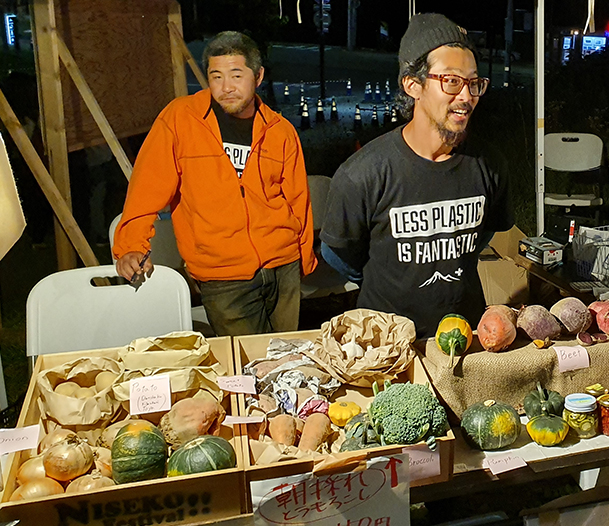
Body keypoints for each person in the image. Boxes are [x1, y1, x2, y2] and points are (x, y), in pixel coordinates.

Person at [320, 13, 513, 338]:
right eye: (451, 81)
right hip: (386, 344)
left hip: (464, 338)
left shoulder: (490, 164)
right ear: (413, 85)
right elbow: (340, 257)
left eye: (473, 83)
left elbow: (483, 234)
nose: (466, 97)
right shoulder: (362, 174)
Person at [113, 31, 316, 336]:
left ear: (257, 76)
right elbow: (146, 188)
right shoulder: (181, 119)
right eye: (216, 76)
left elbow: (298, 199)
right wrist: (131, 246)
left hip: (282, 266)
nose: (226, 87)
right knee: (247, 369)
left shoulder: (279, 129)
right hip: (222, 275)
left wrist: (303, 258)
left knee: (285, 361)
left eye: (236, 75)